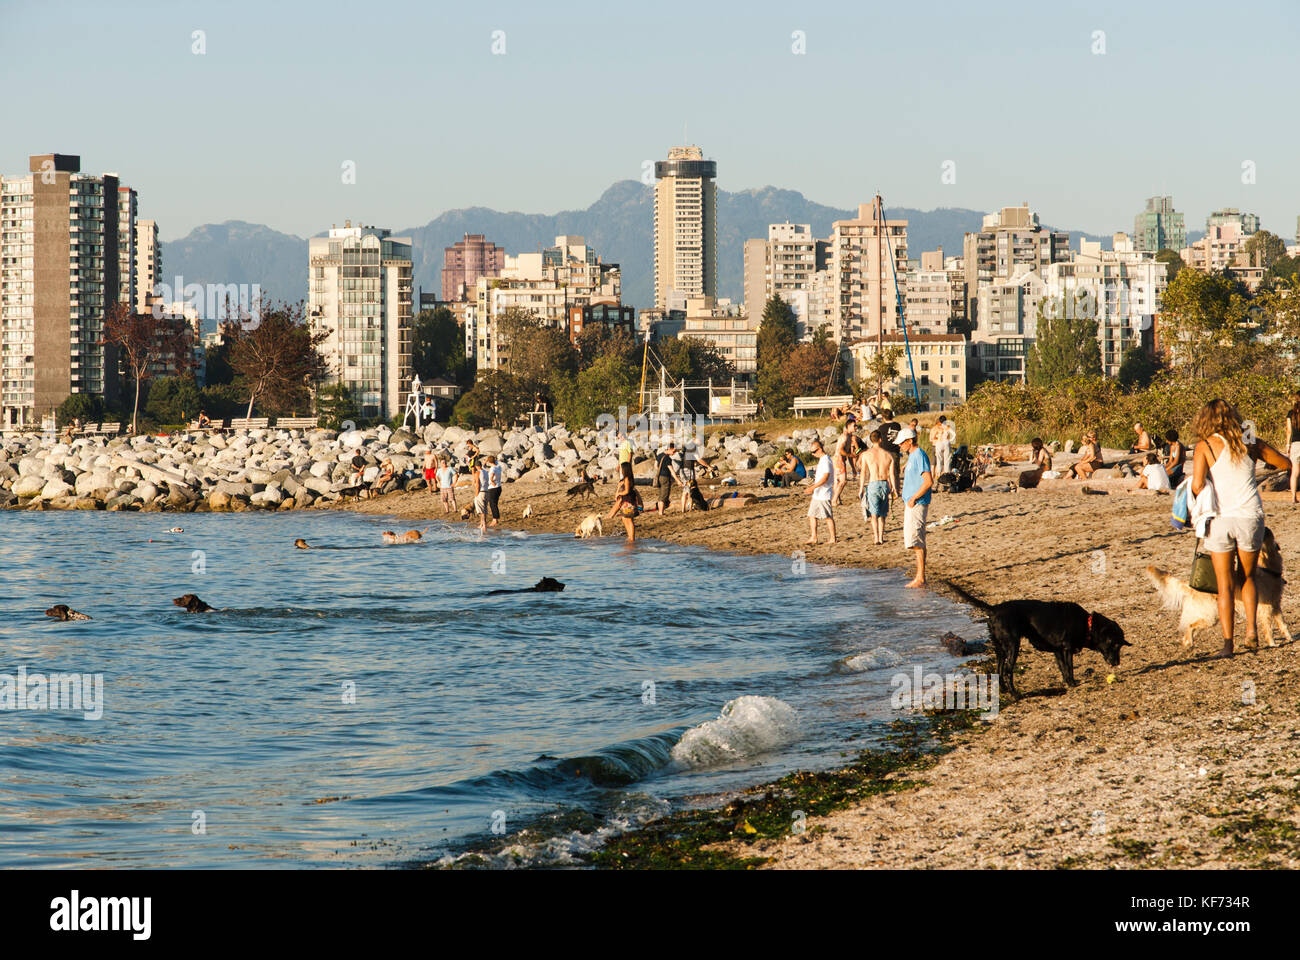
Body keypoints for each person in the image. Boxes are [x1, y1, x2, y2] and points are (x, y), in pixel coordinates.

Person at [1191, 398, 1291, 657]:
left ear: (1206, 420)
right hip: (1250, 516)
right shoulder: (1251, 442)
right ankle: (1251, 633)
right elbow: (1285, 463)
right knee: (1247, 577)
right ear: (1234, 417)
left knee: (1224, 585)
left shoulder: (1204, 446)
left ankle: (1227, 645)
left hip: (1222, 518)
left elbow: (1197, 485)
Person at [897, 428, 932, 588]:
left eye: (902, 443)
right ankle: (919, 576)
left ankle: (921, 577)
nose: (900, 446)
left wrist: (914, 498)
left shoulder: (919, 455)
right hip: (911, 503)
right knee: (914, 540)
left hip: (917, 503)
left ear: (910, 441)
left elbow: (928, 481)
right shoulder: (912, 456)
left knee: (916, 539)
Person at [858, 429, 897, 545]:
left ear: (871, 440)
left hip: (873, 484)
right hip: (884, 484)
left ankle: (876, 538)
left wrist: (861, 488)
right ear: (881, 439)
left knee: (874, 513)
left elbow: (863, 473)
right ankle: (881, 536)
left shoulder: (866, 454)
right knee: (883, 514)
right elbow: (892, 474)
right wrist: (894, 488)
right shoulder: (888, 455)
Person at [804, 438, 837, 545]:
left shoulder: (826, 459)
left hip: (824, 494)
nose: (813, 454)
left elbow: (826, 477)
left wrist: (812, 487)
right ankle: (814, 537)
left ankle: (833, 538)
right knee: (811, 515)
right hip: (817, 494)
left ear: (819, 449)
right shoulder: (822, 460)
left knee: (827, 517)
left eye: (814, 452)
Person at [606, 460, 641, 542]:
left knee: (629, 519)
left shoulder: (627, 478)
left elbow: (627, 491)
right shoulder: (625, 478)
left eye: (622, 468)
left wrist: (619, 493)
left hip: (629, 501)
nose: (621, 470)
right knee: (625, 519)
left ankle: (632, 538)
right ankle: (630, 536)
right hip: (626, 501)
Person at [832, 419, 858, 504]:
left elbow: (849, 454)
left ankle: (836, 500)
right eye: (854, 425)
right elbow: (841, 450)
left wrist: (853, 467)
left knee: (837, 481)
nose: (856, 427)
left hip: (838, 459)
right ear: (848, 426)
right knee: (843, 481)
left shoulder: (849, 437)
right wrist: (850, 455)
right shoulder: (845, 436)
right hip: (839, 459)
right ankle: (834, 500)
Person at [653, 443, 680, 514]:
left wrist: (660, 470)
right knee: (664, 496)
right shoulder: (667, 458)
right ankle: (661, 512)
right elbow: (672, 471)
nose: (674, 453)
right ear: (669, 449)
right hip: (665, 477)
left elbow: (655, 465)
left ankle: (660, 511)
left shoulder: (659, 455)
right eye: (673, 451)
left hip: (659, 477)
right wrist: (678, 481)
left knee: (661, 494)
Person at [1286, 394, 1300, 503]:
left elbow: (1289, 431)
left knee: (1294, 472)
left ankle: (1293, 497)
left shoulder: (1291, 414)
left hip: (1295, 444)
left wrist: (1288, 445)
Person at [484, 455, 503, 527]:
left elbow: (491, 476)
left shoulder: (492, 469)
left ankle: (495, 519)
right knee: (495, 503)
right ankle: (495, 518)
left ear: (489, 462)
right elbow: (495, 462)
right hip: (499, 487)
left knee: (492, 504)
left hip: (493, 488)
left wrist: (492, 481)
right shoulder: (498, 466)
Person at [472, 458, 489, 532]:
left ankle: (484, 525)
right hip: (487, 491)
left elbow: (478, 484)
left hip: (481, 492)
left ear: (476, 466)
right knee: (484, 509)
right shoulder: (486, 472)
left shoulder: (477, 473)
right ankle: (482, 524)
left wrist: (476, 494)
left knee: (481, 511)